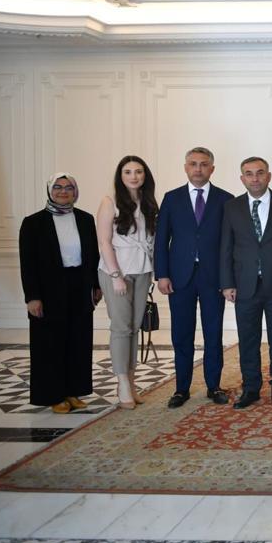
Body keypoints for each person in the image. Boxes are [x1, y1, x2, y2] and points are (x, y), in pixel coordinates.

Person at [154, 147, 232, 408]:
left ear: (212, 168)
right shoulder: (172, 198)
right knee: (181, 334)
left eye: (204, 164)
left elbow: (229, 244)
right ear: (185, 167)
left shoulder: (225, 199)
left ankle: (214, 386)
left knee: (213, 334)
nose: (198, 169)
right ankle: (181, 389)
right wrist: (162, 274)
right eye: (193, 164)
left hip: (213, 278)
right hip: (180, 278)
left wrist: (227, 279)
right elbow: (161, 240)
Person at [19, 173, 101, 413]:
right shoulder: (33, 223)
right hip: (48, 290)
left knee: (78, 340)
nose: (63, 191)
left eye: (68, 187)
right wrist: (32, 296)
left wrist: (96, 285)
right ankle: (53, 395)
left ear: (75, 192)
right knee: (50, 344)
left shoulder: (85, 219)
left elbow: (93, 255)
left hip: (79, 286)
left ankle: (73, 391)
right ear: (49, 190)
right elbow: (28, 263)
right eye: (58, 187)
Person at [219, 157, 272, 409]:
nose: (255, 178)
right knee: (248, 338)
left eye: (260, 173)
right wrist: (227, 283)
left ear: (268, 176)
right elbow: (226, 247)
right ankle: (251, 388)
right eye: (249, 174)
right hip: (244, 284)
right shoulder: (231, 207)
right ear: (242, 178)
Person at [96, 156, 158, 410]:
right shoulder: (109, 202)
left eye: (138, 171)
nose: (134, 176)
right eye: (128, 172)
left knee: (134, 328)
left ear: (145, 175)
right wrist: (115, 276)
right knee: (121, 328)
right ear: (120, 176)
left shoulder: (148, 202)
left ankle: (131, 382)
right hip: (117, 272)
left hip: (142, 271)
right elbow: (104, 242)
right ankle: (121, 382)